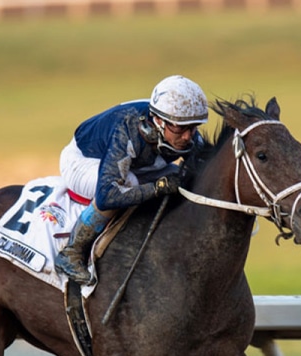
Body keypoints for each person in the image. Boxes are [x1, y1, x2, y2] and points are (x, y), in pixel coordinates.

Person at [55, 75, 211, 284]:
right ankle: (72, 252)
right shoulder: (127, 129)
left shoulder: (182, 131)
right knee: (128, 183)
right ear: (158, 121)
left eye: (193, 127)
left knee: (178, 177)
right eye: (180, 128)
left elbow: (204, 172)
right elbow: (108, 195)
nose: (187, 137)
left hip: (136, 162)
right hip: (84, 160)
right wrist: (157, 188)